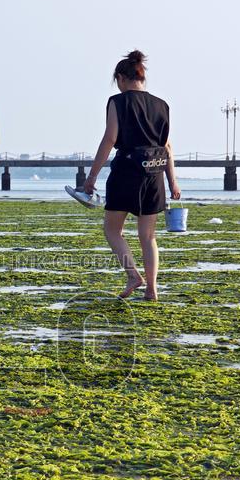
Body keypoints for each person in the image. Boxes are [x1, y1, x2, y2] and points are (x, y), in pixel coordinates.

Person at [83, 50, 180, 301]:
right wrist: (172, 181)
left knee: (112, 230)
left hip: (127, 172)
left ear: (120, 78)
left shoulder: (118, 102)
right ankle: (152, 288)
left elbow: (110, 139)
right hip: (155, 174)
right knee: (148, 236)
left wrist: (92, 176)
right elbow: (167, 147)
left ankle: (133, 275)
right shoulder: (162, 105)